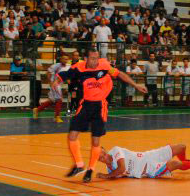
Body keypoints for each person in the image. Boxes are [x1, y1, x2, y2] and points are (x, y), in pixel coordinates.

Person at [50, 48, 148, 182]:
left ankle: (90, 169)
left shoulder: (105, 65)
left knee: (96, 141)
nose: (95, 61)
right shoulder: (79, 67)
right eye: (92, 59)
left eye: (96, 58)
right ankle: (79, 164)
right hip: (85, 104)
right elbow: (65, 74)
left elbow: (120, 74)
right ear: (86, 59)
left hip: (100, 106)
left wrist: (136, 85)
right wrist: (56, 82)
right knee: (72, 135)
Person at [97, 144, 190, 180]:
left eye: (100, 152)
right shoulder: (111, 170)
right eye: (98, 156)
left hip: (150, 155)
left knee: (182, 147)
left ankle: (186, 163)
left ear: (104, 149)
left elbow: (121, 169)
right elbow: (119, 174)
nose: (101, 156)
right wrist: (108, 175)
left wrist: (106, 176)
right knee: (176, 164)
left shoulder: (115, 151)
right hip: (150, 169)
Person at [33, 54, 70, 123]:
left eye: (66, 59)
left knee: (52, 100)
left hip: (59, 84)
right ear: (61, 59)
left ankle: (37, 110)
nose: (65, 60)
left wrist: (68, 81)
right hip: (54, 85)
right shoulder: (56, 66)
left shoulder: (68, 67)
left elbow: (67, 76)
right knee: (59, 99)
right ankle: (57, 117)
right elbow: (48, 72)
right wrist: (50, 82)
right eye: (64, 59)